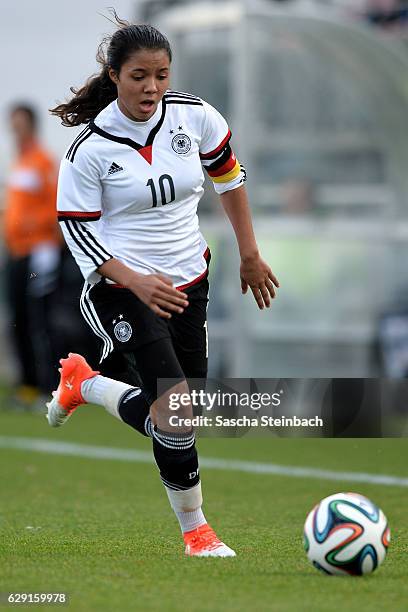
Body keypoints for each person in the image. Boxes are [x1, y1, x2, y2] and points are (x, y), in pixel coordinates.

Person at [48, 15, 279, 557]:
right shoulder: (90, 150)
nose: (152, 87)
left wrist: (249, 253)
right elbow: (76, 229)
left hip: (188, 281)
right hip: (117, 285)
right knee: (174, 411)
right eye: (138, 77)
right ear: (114, 76)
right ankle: (197, 534)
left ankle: (86, 385)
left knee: (178, 417)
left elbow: (229, 176)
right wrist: (136, 281)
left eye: (161, 75)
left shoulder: (195, 117)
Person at [3, 104, 62, 404]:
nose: (16, 130)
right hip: (16, 252)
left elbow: (55, 207)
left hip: (39, 253)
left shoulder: (42, 161)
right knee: (19, 317)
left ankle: (48, 386)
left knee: (40, 317)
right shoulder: (19, 162)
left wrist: (34, 226)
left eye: (21, 124)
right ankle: (27, 384)